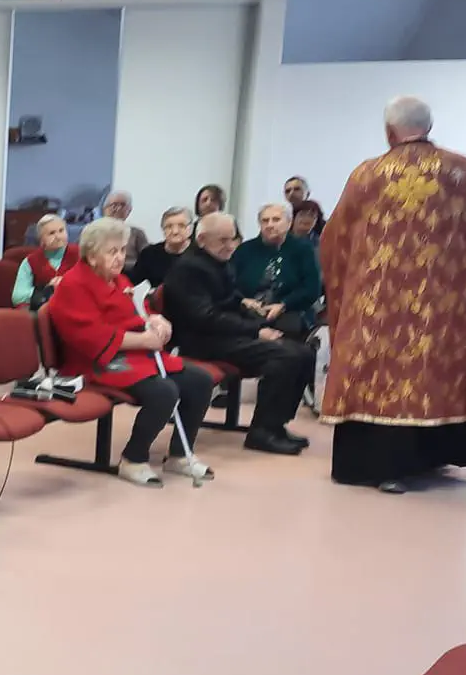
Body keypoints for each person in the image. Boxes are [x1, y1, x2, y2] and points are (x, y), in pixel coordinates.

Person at [322, 96, 466, 493]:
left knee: (377, 373)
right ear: (428, 127)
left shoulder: (367, 174)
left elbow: (337, 239)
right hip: (440, 303)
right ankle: (432, 454)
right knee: (431, 369)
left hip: (376, 304)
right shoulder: (464, 172)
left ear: (389, 132)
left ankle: (380, 466)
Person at [46, 219, 214, 488]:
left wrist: (155, 320)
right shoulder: (73, 285)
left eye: (122, 250)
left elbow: (138, 310)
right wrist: (144, 340)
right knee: (164, 391)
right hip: (94, 361)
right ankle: (133, 459)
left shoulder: (118, 279)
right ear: (92, 255)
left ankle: (180, 455)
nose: (120, 257)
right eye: (112, 251)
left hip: (134, 354)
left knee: (200, 381)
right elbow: (90, 337)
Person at [163, 213, 316, 457]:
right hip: (202, 341)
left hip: (223, 334)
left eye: (233, 239)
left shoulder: (217, 261)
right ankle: (262, 432)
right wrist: (256, 330)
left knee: (304, 353)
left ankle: (276, 424)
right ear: (201, 240)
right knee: (285, 356)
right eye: (222, 240)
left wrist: (256, 319)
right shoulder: (189, 269)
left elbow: (231, 299)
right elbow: (205, 317)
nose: (230, 245)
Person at [231, 203, 323, 337]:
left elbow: (312, 289)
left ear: (289, 223)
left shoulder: (303, 249)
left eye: (276, 220)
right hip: (249, 309)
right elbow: (228, 283)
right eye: (265, 221)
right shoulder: (244, 250)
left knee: (286, 330)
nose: (270, 225)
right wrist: (244, 300)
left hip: (291, 311)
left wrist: (283, 305)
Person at [11, 215, 74, 309]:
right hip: (44, 311)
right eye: (51, 233)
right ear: (41, 239)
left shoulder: (81, 255)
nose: (58, 237)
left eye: (61, 230)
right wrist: (48, 291)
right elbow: (18, 296)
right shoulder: (30, 262)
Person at [130, 207, 194, 289]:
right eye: (169, 226)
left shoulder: (201, 254)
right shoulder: (149, 254)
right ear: (163, 230)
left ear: (191, 229)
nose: (175, 231)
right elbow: (132, 283)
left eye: (181, 226)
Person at [101, 191, 148, 264]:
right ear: (105, 209)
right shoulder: (92, 232)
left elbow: (147, 259)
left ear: (129, 210)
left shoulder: (137, 233)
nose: (118, 209)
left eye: (122, 205)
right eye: (114, 205)